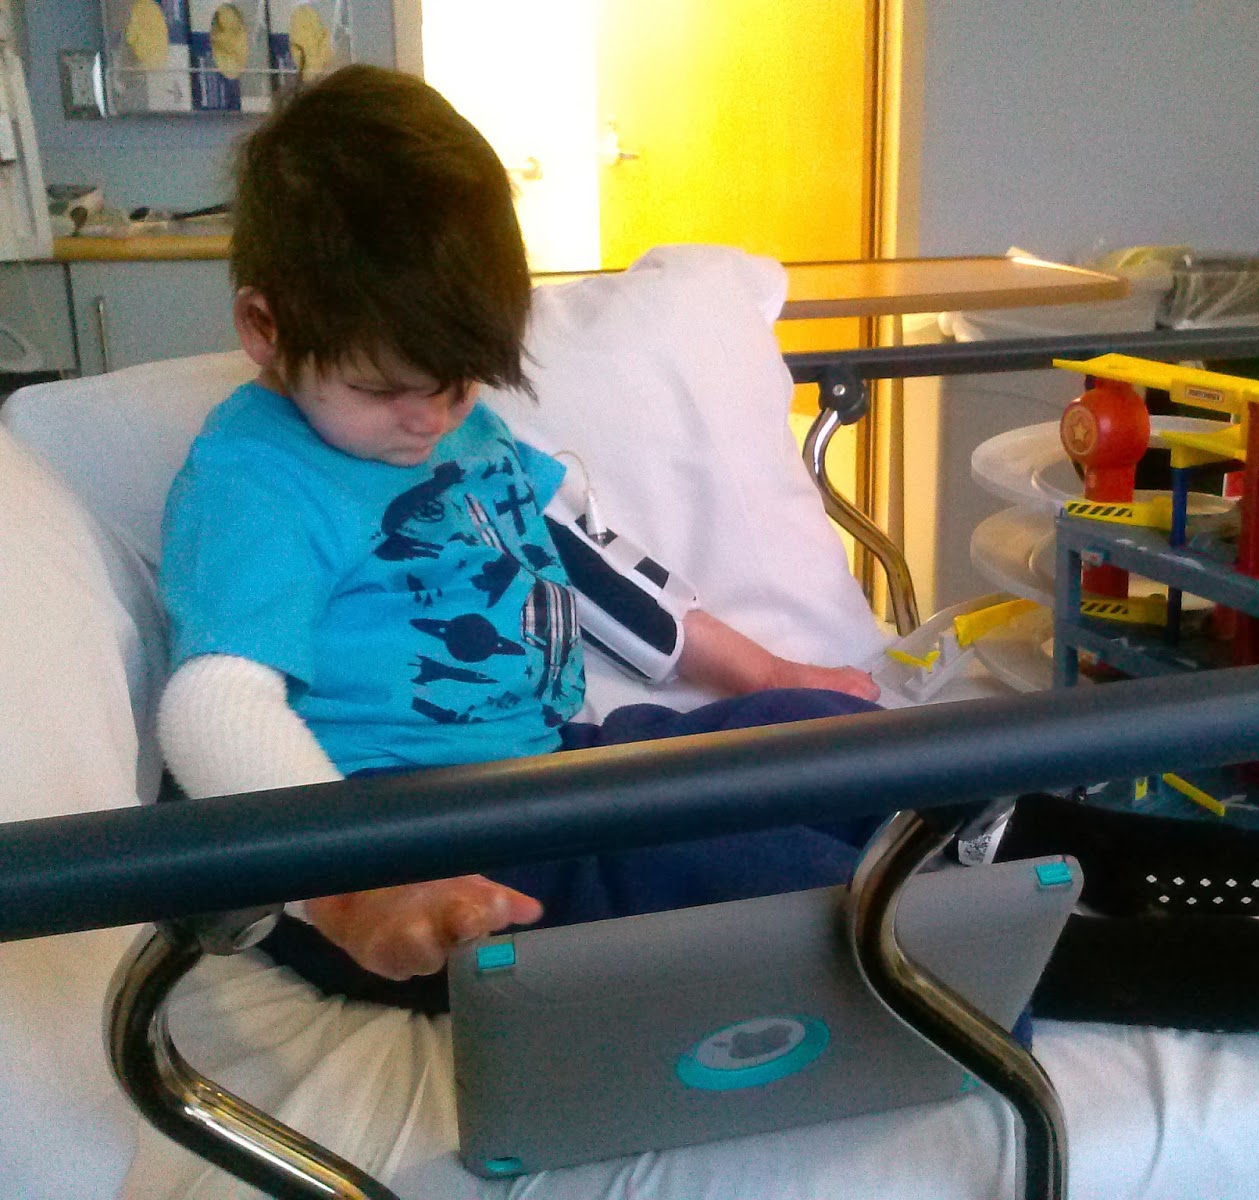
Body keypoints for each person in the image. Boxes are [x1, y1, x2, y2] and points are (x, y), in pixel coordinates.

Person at [157, 65, 881, 1006]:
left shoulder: (469, 435)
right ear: (264, 326)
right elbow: (213, 707)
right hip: (405, 846)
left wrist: (770, 675)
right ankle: (964, 977)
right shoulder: (257, 480)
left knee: (830, 745)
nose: (428, 421)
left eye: (457, 384)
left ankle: (1020, 859)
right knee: (761, 877)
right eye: (384, 389)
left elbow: (592, 572)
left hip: (542, 767)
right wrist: (351, 891)